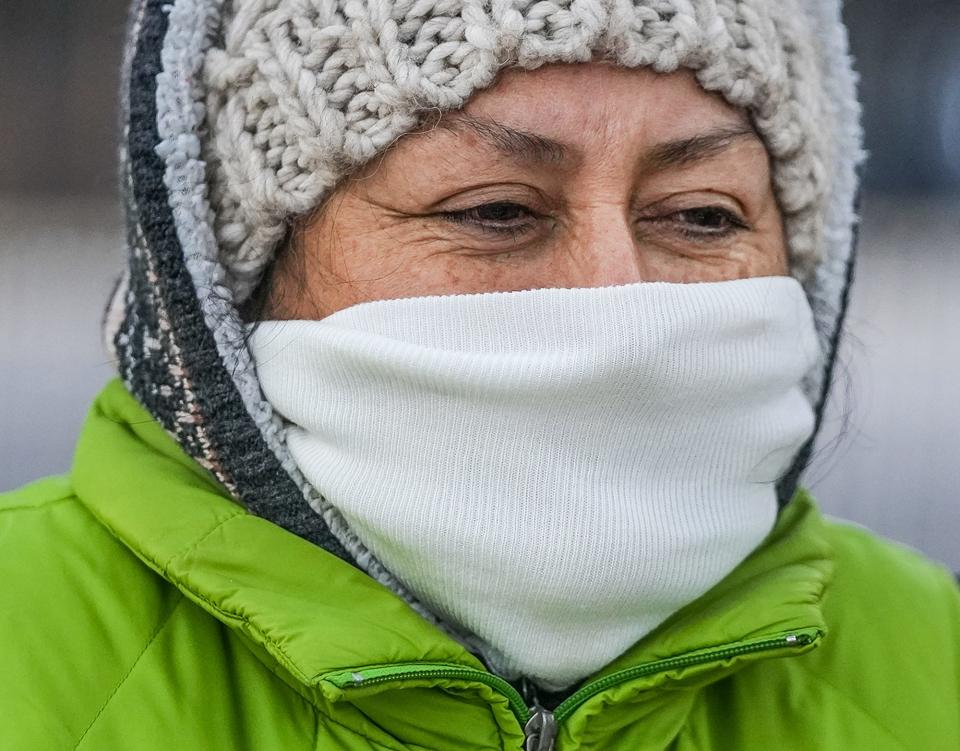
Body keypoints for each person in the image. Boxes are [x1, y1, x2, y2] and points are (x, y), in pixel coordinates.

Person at [2, 0, 958, 748]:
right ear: (235, 278)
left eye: (702, 215)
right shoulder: (28, 647)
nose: (613, 300)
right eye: (495, 210)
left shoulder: (930, 663)